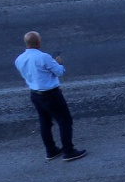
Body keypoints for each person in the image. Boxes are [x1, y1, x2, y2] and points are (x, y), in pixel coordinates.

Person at [14, 32, 85, 161]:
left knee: (45, 122)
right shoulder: (43, 57)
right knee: (64, 121)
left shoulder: (19, 59)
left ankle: (51, 150)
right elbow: (59, 72)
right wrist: (58, 63)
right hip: (51, 95)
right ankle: (68, 151)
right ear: (38, 42)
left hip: (35, 94)